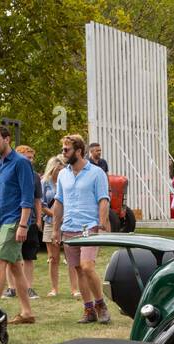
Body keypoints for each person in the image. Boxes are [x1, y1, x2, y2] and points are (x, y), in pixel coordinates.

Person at [51, 133, 112, 324]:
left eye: (66, 149)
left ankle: (101, 305)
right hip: (69, 227)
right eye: (63, 149)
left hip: (89, 226)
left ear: (78, 151)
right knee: (78, 268)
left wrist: (102, 223)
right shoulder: (62, 174)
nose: (63, 152)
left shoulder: (96, 173)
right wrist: (55, 229)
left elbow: (103, 199)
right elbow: (59, 203)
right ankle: (88, 309)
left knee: (87, 266)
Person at [0, 125, 36, 323]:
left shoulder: (21, 162)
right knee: (15, 267)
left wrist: (23, 225)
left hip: (15, 221)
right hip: (3, 221)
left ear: (7, 139)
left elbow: (27, 196)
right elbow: (2, 196)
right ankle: (27, 313)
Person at [16, 145, 44, 301]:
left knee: (28, 256)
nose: (31, 161)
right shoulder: (13, 173)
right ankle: (12, 288)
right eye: (28, 157)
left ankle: (28, 288)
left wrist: (39, 219)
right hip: (14, 220)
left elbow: (37, 200)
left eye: (32, 158)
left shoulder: (35, 176)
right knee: (12, 256)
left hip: (31, 221)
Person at [41, 156, 68, 296]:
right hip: (51, 222)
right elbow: (42, 204)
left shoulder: (67, 180)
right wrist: (55, 216)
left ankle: (75, 289)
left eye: (61, 169)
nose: (59, 172)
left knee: (71, 257)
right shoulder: (44, 182)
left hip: (68, 222)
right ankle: (54, 289)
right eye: (57, 170)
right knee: (53, 258)